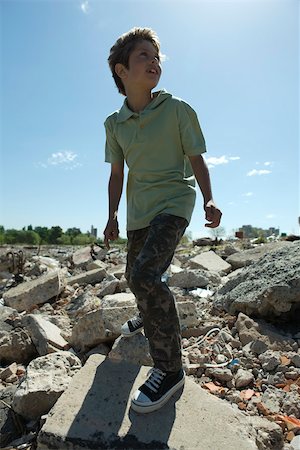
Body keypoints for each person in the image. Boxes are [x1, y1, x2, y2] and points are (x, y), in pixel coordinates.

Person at [103, 27, 222, 414]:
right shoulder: (114, 124)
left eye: (157, 57)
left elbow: (196, 158)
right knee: (134, 274)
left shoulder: (177, 109)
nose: (154, 63)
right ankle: (147, 310)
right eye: (144, 56)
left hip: (174, 201)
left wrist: (209, 197)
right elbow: (117, 173)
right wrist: (112, 216)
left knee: (147, 276)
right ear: (121, 70)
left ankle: (170, 370)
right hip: (139, 210)